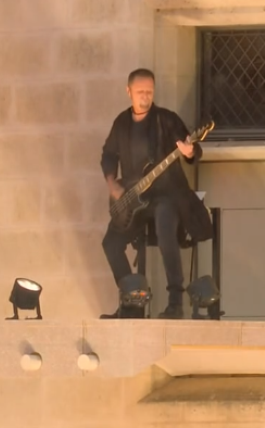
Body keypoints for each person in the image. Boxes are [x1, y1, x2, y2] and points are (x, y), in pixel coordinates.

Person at [99, 68, 213, 319]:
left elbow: (194, 150)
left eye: (149, 92)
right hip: (133, 200)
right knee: (111, 243)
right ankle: (131, 301)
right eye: (140, 92)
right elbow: (108, 155)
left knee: (165, 228)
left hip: (167, 196)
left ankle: (175, 302)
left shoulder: (166, 120)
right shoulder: (121, 123)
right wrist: (112, 184)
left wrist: (189, 152)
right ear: (128, 92)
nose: (145, 97)